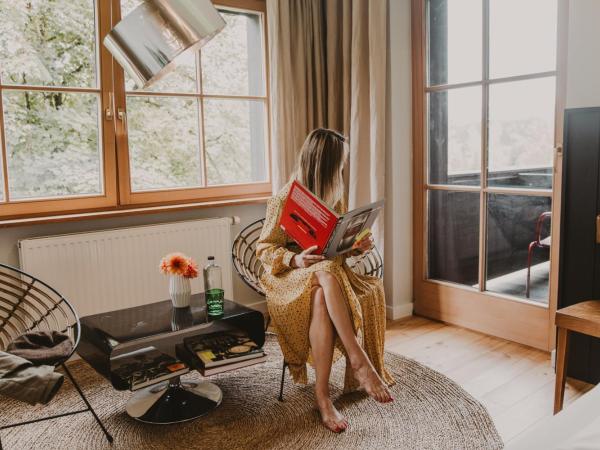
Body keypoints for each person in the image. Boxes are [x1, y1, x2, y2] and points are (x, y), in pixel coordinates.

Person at [256, 128, 394, 433]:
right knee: (326, 273)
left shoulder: (334, 196)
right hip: (288, 277)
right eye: (340, 163)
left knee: (322, 291)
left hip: (322, 276)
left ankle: (322, 398)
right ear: (325, 163)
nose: (343, 169)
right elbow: (264, 248)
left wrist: (354, 244)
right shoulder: (284, 198)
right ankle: (359, 361)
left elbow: (335, 244)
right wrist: (295, 259)